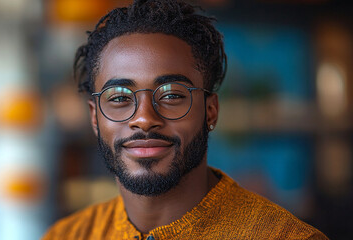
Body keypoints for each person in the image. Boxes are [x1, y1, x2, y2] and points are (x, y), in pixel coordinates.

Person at [43, 0, 328, 239]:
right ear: (95, 117)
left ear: (211, 111)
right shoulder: (69, 235)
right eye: (119, 98)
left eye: (171, 96)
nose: (144, 119)